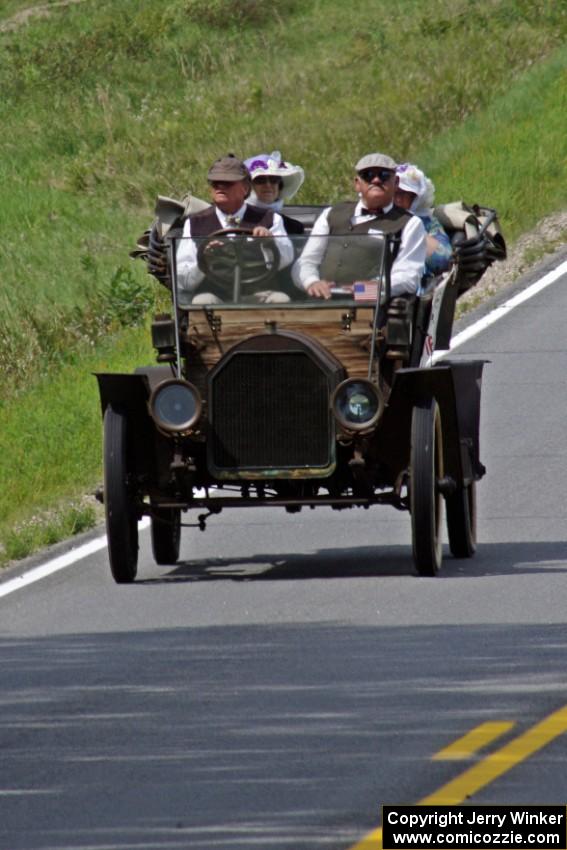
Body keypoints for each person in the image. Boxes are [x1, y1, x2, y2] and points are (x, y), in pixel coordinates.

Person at [292, 153, 426, 300]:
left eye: (384, 175)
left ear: (396, 182)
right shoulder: (331, 214)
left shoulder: (410, 223)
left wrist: (367, 290)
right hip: (321, 303)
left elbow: (408, 276)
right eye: (368, 175)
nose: (376, 180)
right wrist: (312, 282)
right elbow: (307, 260)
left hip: (373, 309)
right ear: (357, 183)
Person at [175, 154, 294, 305]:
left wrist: (268, 243)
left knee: (281, 300)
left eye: (227, 183)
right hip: (215, 296)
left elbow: (285, 261)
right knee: (201, 302)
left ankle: (272, 329)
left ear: (245, 188)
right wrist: (203, 261)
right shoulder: (195, 223)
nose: (220, 187)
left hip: (260, 294)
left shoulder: (269, 219)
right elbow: (183, 281)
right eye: (215, 183)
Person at [394, 163, 453, 277]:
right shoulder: (377, 220)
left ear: (416, 197)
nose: (397, 199)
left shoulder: (427, 222)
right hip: (374, 286)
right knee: (357, 291)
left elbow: (443, 260)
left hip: (408, 287)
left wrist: (408, 227)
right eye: (393, 193)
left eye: (402, 194)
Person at [244, 151, 305, 234]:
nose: (268, 185)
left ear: (280, 186)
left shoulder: (294, 227)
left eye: (274, 180)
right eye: (260, 180)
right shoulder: (237, 221)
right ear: (248, 187)